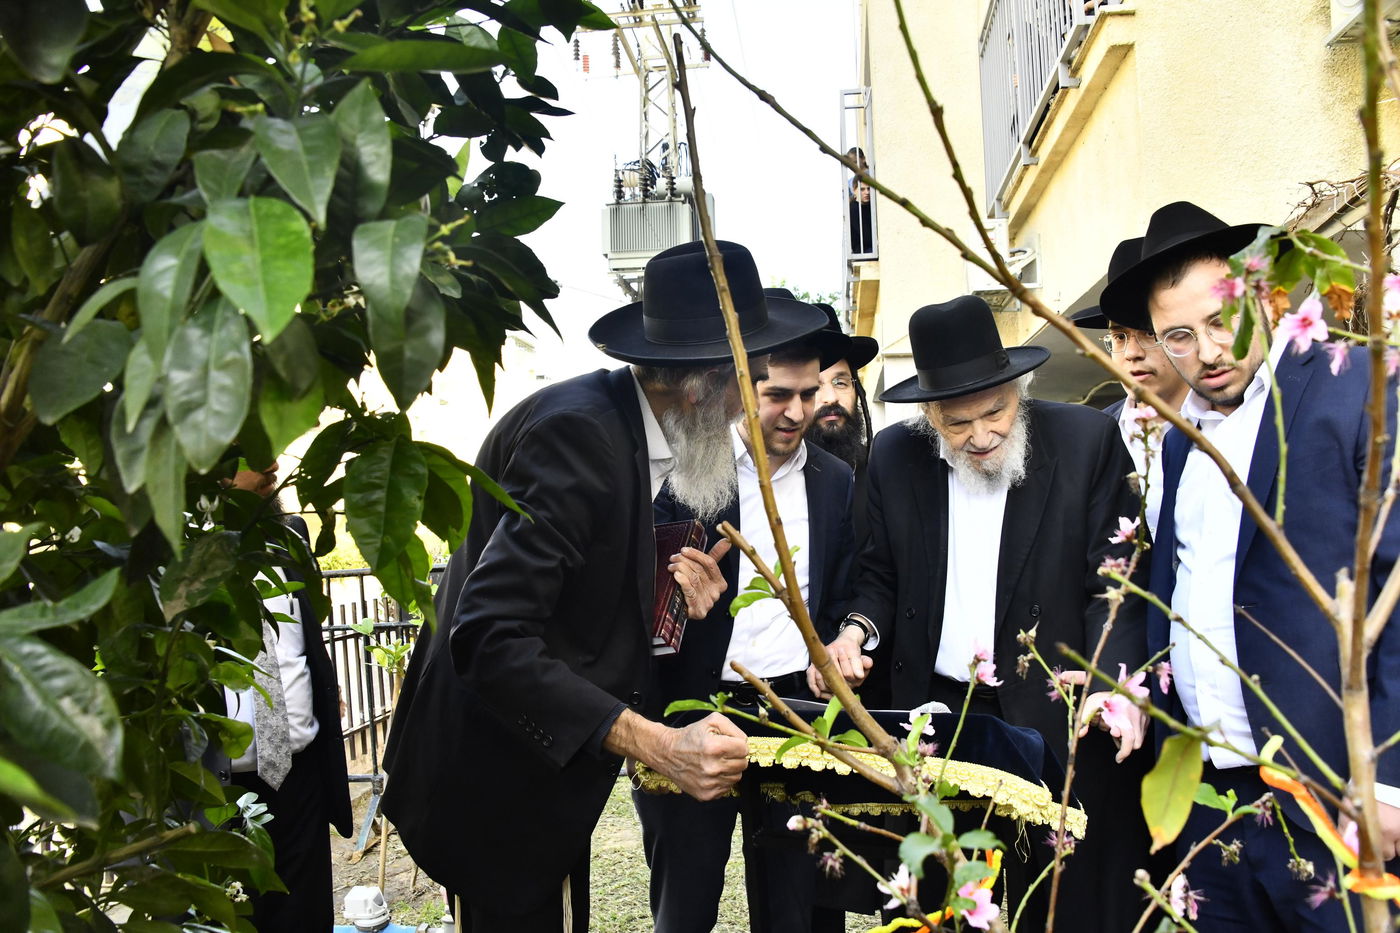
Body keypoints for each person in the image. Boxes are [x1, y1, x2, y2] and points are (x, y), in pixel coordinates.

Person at [380, 240, 829, 932]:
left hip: (551, 783)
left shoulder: (641, 434)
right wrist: (658, 744)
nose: (753, 407)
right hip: (492, 788)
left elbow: (577, 606)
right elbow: (491, 636)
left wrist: (671, 608)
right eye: (751, 380)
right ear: (699, 385)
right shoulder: (580, 437)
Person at [1099, 200, 1400, 930]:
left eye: (1220, 320)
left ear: (1262, 297)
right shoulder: (1176, 442)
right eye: (1179, 336)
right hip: (1215, 801)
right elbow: (1180, 588)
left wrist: (1389, 778)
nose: (1207, 350)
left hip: (1330, 788)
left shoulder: (1354, 387)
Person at [812, 295, 1154, 930]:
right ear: (928, 415)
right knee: (951, 903)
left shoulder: (1087, 442)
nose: (980, 435)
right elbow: (878, 575)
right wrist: (857, 631)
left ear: (1017, 389)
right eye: (955, 421)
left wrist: (1115, 680)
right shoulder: (893, 456)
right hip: (939, 719)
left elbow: (1120, 581)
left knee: (1055, 902)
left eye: (995, 412)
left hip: (1053, 718)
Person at [638, 328, 856, 933]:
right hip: (689, 710)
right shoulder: (680, 467)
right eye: (776, 394)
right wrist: (676, 595)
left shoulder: (837, 481)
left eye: (809, 393)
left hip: (797, 712)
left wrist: (844, 641)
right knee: (685, 902)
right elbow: (628, 575)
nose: (796, 411)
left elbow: (850, 588)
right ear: (740, 388)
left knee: (802, 904)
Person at [212, 462, 352, 932]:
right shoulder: (182, 553)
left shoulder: (290, 533)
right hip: (221, 787)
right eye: (252, 456)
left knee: (306, 915)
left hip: (298, 772)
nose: (272, 464)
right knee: (240, 916)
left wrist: (323, 693)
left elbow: (303, 639)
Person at [1070, 236, 1189, 538]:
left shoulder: (1231, 420)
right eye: (1120, 337)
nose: (1131, 352)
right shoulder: (1090, 439)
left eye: (1148, 333)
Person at [804, 303, 879, 542]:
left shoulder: (882, 475)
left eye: (840, 382)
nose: (831, 398)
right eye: (815, 386)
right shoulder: (774, 480)